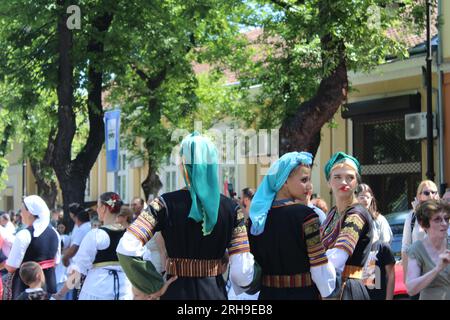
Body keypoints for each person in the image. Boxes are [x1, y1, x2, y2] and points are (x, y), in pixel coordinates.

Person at [117, 132, 255, 300]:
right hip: (214, 292)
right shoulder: (233, 208)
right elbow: (241, 274)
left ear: (183, 165)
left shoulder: (163, 204)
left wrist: (153, 285)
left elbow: (126, 247)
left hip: (175, 291)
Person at [248, 151, 336, 300]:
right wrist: (330, 293)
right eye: (304, 180)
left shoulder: (255, 220)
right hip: (303, 294)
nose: (309, 186)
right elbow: (319, 265)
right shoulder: (307, 216)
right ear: (285, 181)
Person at [53, 192, 132, 300]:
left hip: (97, 291)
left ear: (104, 208)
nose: (97, 210)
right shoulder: (131, 236)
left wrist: (61, 293)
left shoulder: (96, 235)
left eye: (98, 206)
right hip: (124, 292)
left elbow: (79, 270)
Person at [320, 152, 373, 300]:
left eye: (350, 177)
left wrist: (311, 270)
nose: (344, 182)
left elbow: (338, 256)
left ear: (356, 183)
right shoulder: (332, 214)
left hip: (348, 289)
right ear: (328, 182)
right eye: (337, 177)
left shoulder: (357, 213)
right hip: (330, 286)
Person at [1, 195, 60, 300]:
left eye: (22, 209)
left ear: (30, 212)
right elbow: (56, 261)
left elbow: (11, 266)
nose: (20, 213)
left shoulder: (24, 234)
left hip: (26, 287)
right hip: (49, 285)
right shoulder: (55, 233)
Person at [405, 199, 450, 299]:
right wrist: (437, 268)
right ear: (424, 224)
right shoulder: (417, 249)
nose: (444, 223)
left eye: (446, 219)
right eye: (437, 219)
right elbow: (411, 289)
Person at [401, 180, 440, 288]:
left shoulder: (443, 216)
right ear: (419, 196)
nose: (431, 195)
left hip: (439, 271)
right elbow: (405, 247)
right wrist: (406, 277)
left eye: (434, 192)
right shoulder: (412, 217)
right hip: (418, 272)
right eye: (426, 193)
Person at [62, 203, 92, 267]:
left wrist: (65, 258)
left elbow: (74, 247)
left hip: (79, 263)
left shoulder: (81, 229)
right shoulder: (89, 226)